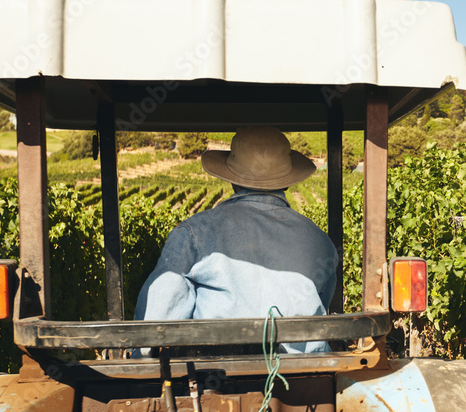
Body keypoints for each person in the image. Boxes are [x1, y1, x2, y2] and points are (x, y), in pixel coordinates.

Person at [134, 126, 337, 353]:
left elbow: (159, 323)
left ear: (232, 180)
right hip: (310, 379)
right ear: (287, 181)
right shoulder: (320, 241)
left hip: (220, 380)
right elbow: (323, 307)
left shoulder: (194, 233)